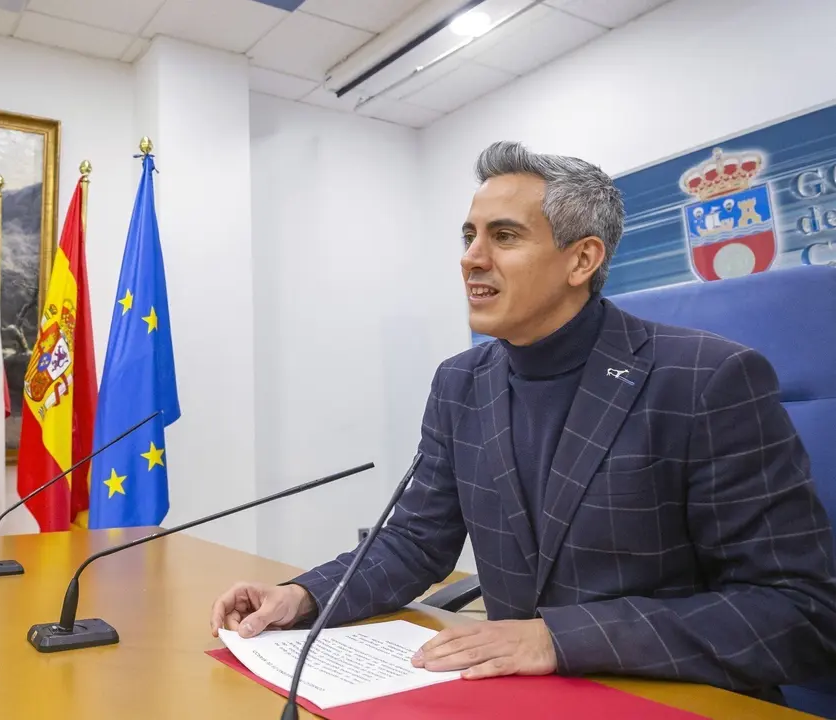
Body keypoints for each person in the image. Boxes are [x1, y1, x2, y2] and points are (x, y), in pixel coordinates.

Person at [209, 141, 836, 701]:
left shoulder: (707, 379)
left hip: (667, 697)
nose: (471, 259)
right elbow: (415, 542)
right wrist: (305, 596)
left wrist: (558, 639)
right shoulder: (460, 382)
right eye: (468, 236)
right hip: (518, 698)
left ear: (582, 259)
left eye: (504, 237)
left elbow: (798, 612)